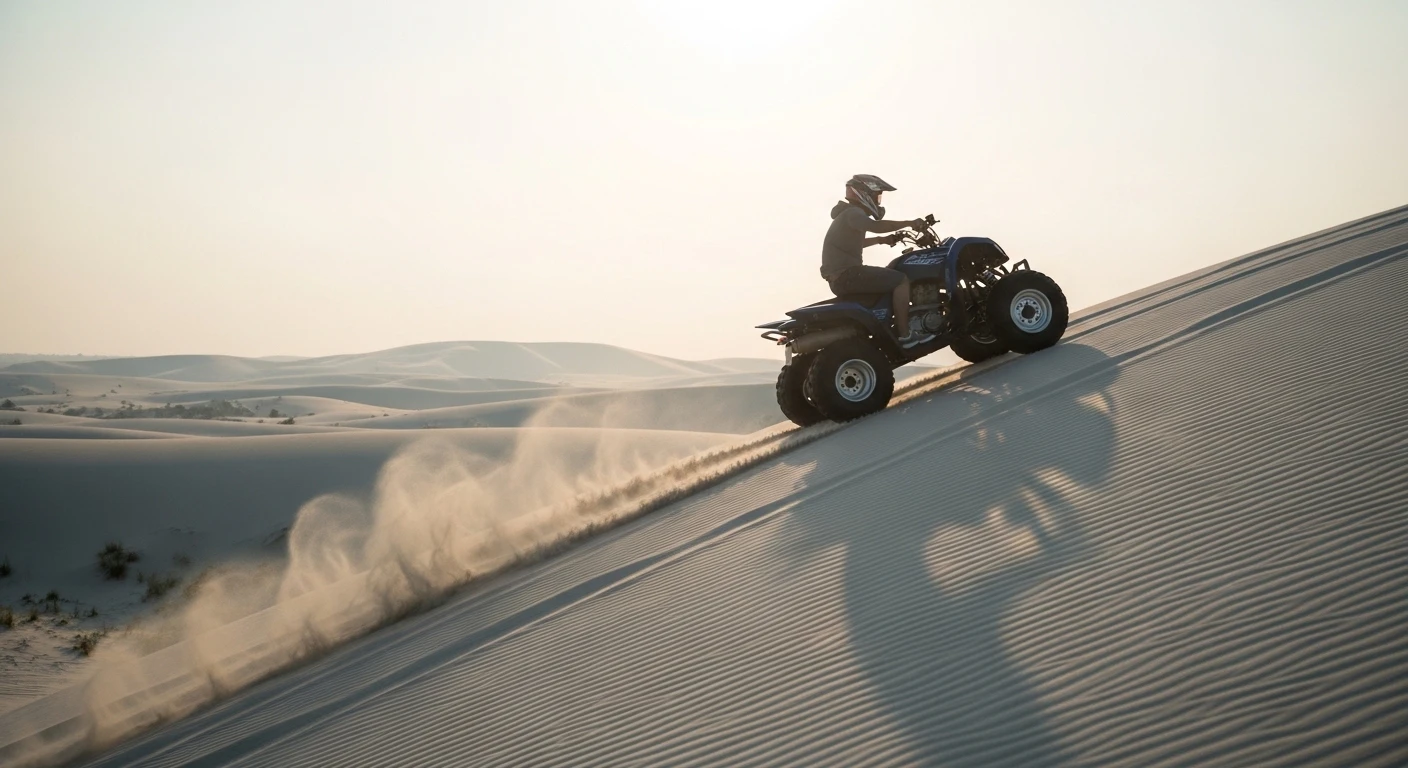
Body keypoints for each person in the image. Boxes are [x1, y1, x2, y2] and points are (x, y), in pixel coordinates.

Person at [821, 174, 935, 348]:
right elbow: (876, 227)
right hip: (848, 275)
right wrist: (910, 223)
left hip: (841, 278)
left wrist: (883, 240)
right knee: (901, 280)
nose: (878, 201)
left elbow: (856, 244)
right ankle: (905, 336)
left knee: (889, 277)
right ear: (864, 194)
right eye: (877, 196)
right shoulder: (853, 212)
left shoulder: (846, 216)